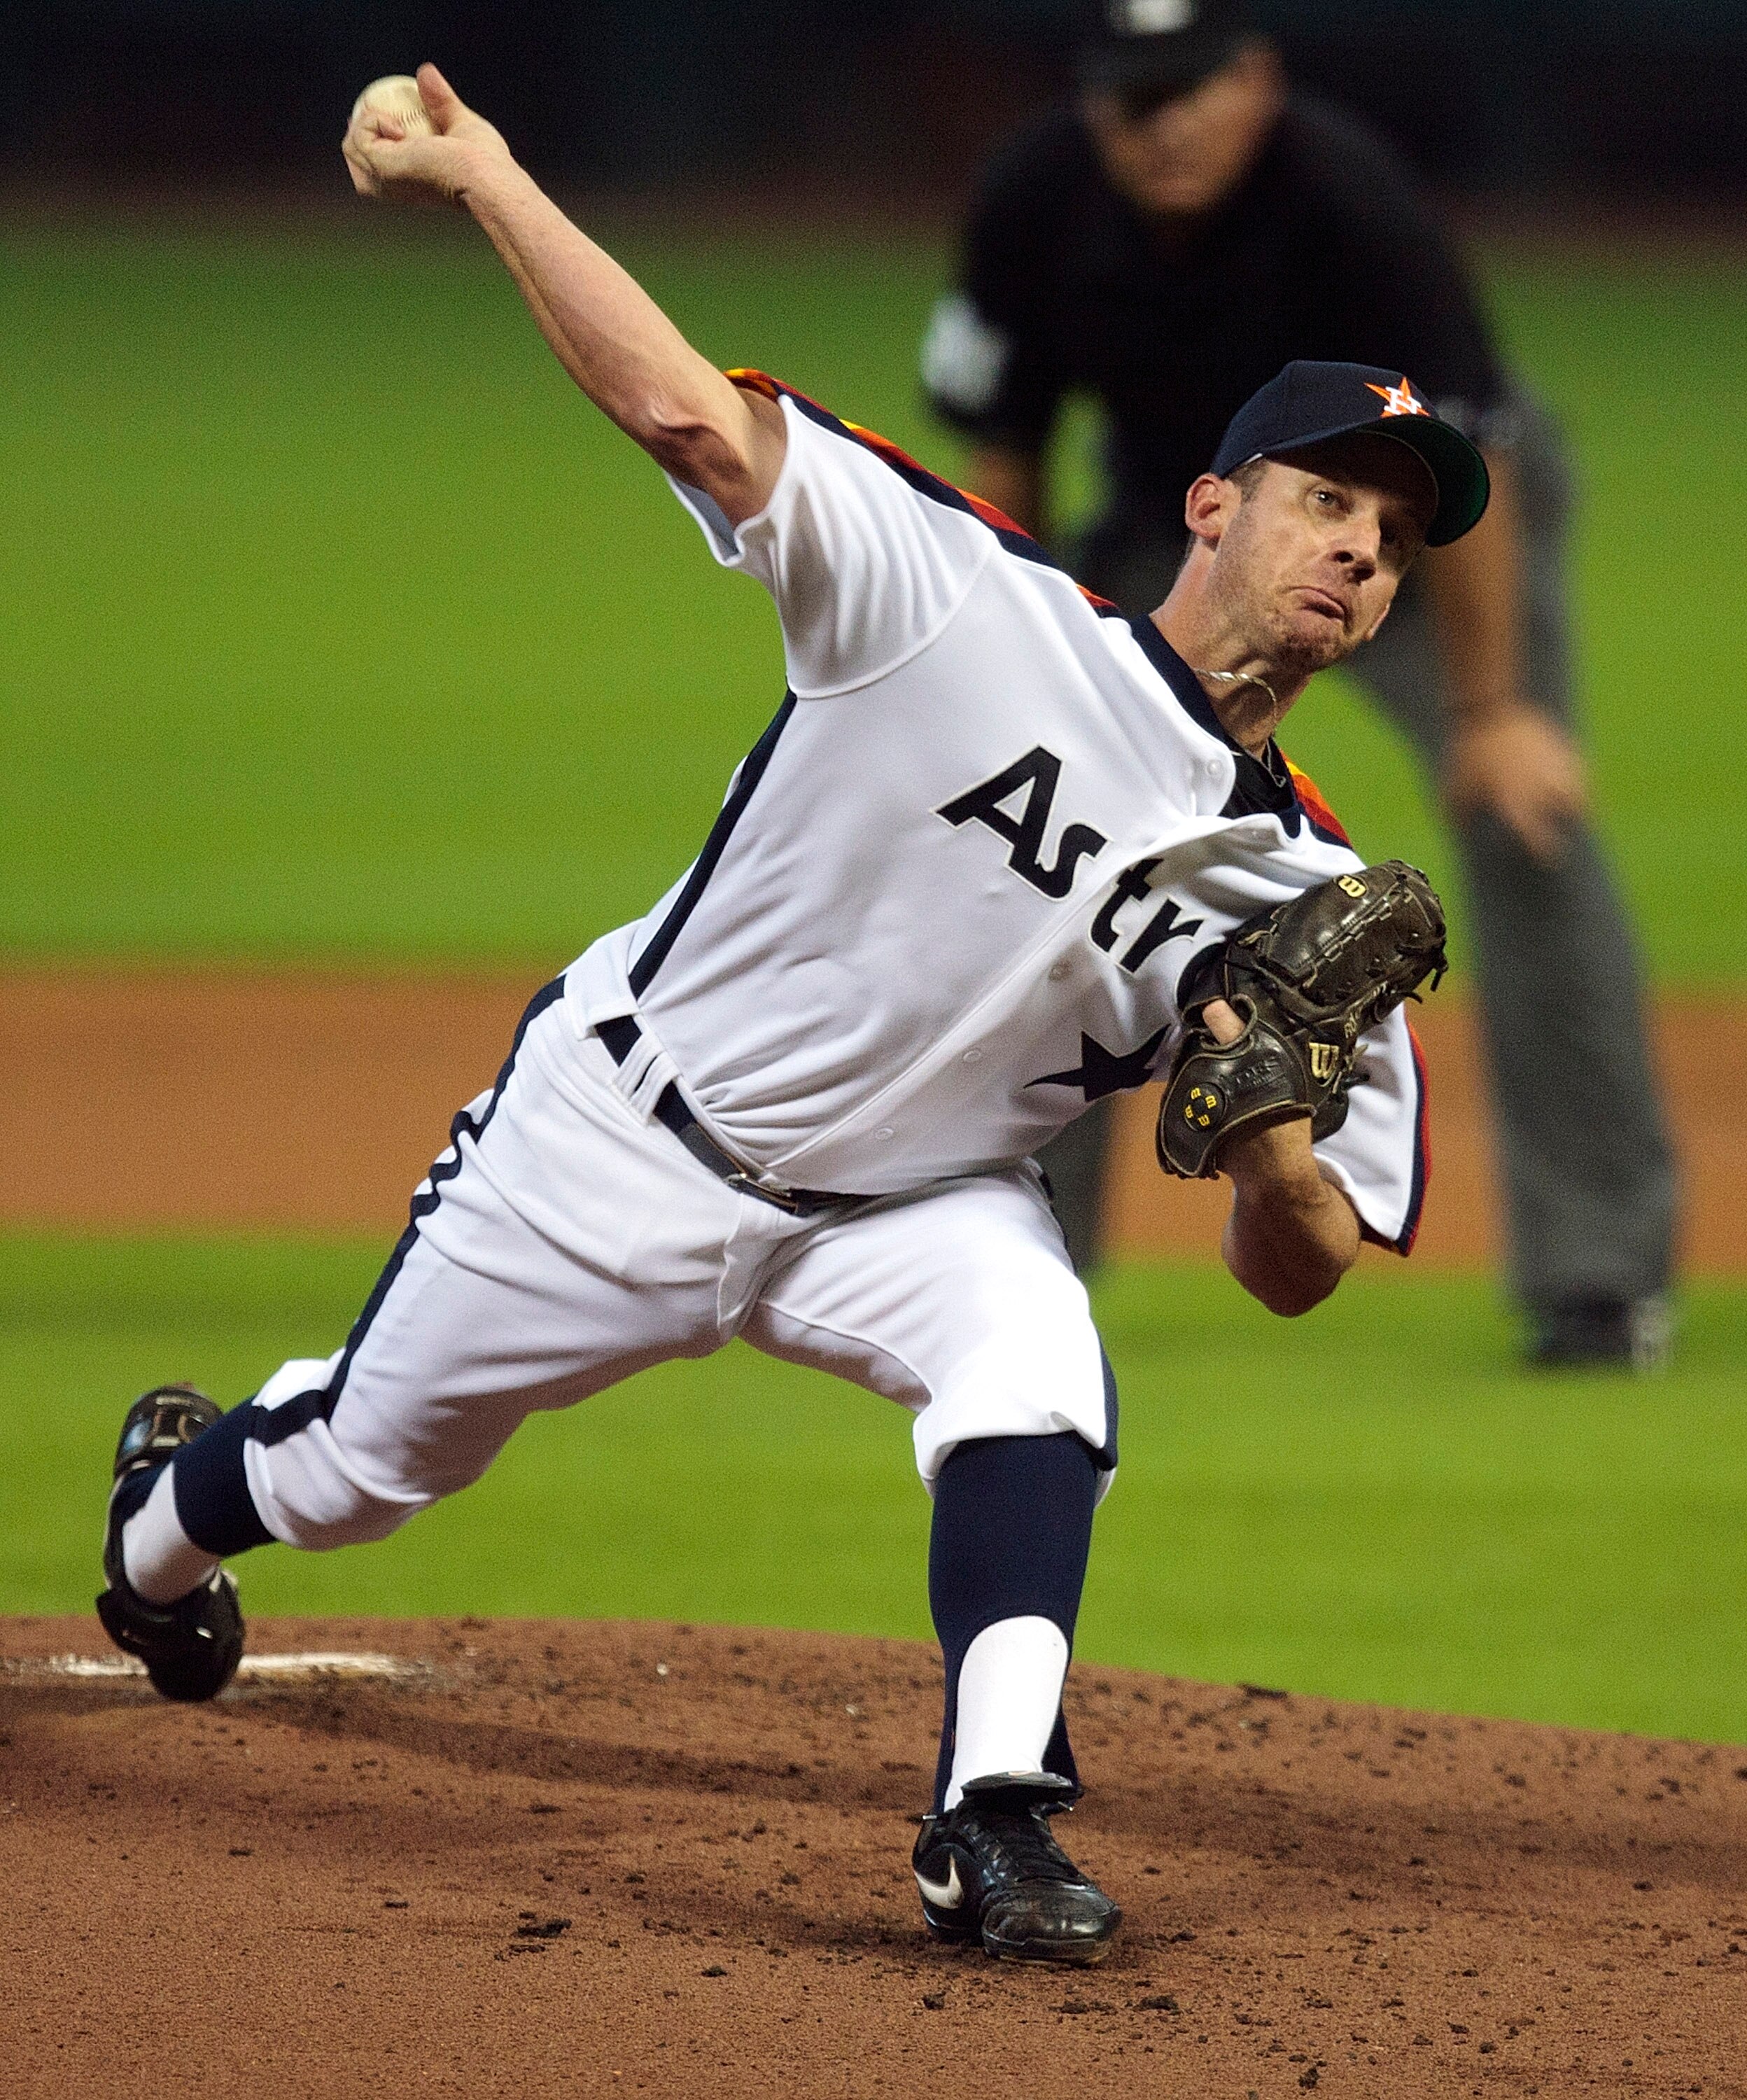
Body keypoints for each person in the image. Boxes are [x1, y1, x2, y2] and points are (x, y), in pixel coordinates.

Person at [94, 65, 1487, 1969]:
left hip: (912, 1212)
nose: (1356, 554)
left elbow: (1303, 1267)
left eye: (1395, 543)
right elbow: (684, 408)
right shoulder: (962, 602)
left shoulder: (1313, 900)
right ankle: (157, 1528)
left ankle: (993, 1821)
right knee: (351, 1471)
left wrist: (1259, 1139)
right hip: (624, 1130)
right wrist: (489, 171)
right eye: (1327, 502)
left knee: (1037, 1358)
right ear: (1216, 503)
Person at [922, 0, 1676, 1369]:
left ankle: (1603, 1279)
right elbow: (1004, 460)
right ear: (1091, 103)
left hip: (1425, 535)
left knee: (1527, 823)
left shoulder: (1349, 198)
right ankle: (1008, 1252)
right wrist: (1009, 676)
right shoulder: (1036, 200)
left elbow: (1479, 447)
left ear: (1257, 80)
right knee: (1061, 847)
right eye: (1136, 97)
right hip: (1185, 529)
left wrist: (1494, 711)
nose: (1168, 125)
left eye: (1194, 89)